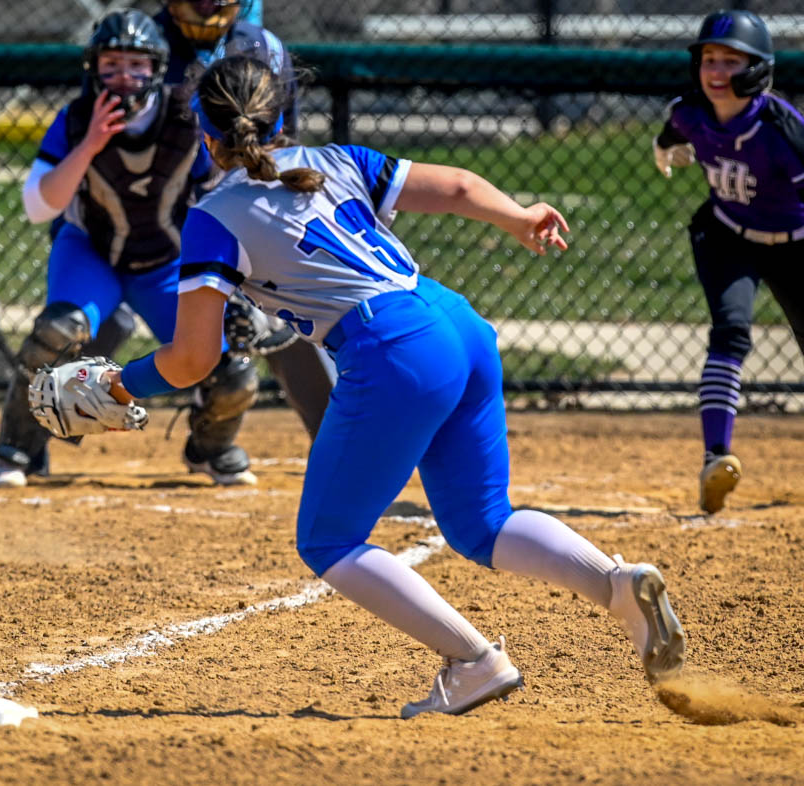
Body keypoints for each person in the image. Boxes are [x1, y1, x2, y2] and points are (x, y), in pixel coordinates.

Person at [107, 54, 687, 717]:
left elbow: (191, 360)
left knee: (328, 540)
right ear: (284, 114)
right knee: (482, 523)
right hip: (458, 323)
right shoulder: (334, 159)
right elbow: (462, 186)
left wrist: (121, 382)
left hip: (394, 349)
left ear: (204, 136)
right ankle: (617, 585)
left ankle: (474, 660)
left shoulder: (215, 216)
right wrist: (520, 217)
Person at [0, 9, 259, 488]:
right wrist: (91, 144)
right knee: (58, 330)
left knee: (231, 360)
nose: (124, 78)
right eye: (111, 65)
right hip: (92, 253)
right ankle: (17, 449)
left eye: (137, 66)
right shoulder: (75, 119)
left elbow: (226, 194)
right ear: (94, 69)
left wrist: (241, 286)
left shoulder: (187, 117)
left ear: (156, 69)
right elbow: (38, 205)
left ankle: (210, 449)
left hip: (165, 262)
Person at [85, 0, 335, 441]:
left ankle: (231, 445)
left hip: (243, 207)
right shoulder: (144, 41)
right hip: (154, 221)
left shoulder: (259, 46)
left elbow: (283, 144)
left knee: (278, 322)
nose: (208, 7)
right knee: (83, 325)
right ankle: (21, 445)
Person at [653, 10, 804, 514]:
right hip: (729, 235)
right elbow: (675, 127)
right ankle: (715, 457)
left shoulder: (781, 130)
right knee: (730, 332)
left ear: (758, 69)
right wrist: (665, 145)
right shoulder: (691, 111)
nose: (716, 72)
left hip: (795, 241)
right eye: (708, 60)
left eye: (731, 61)